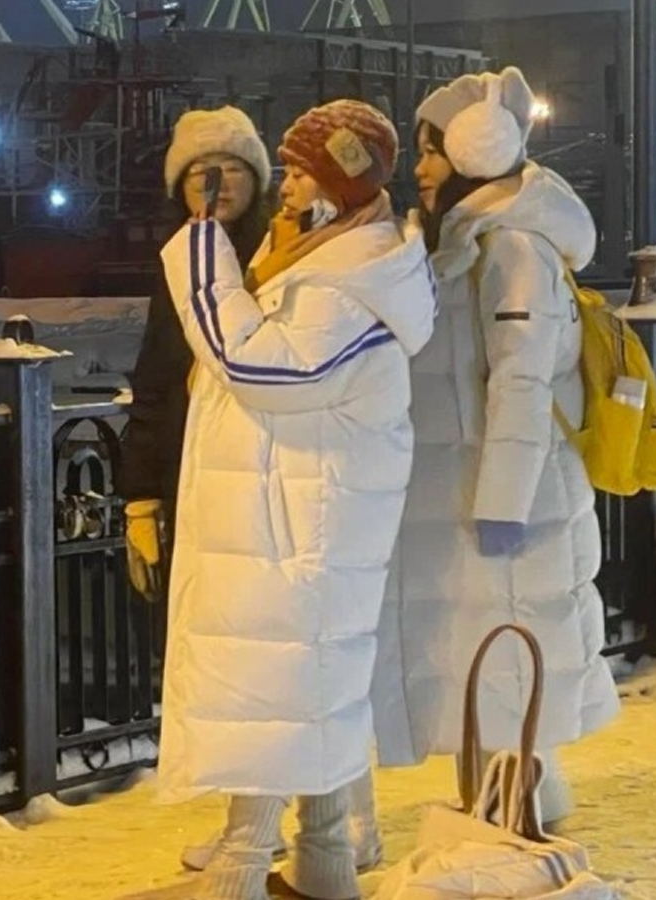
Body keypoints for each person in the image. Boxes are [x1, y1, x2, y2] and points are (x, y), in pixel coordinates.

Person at [152, 100, 435, 900]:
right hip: (298, 517)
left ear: (341, 185)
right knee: (308, 697)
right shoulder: (324, 260)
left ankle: (239, 873)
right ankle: (324, 864)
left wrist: (205, 255)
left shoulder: (351, 284)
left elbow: (261, 367)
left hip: (302, 527)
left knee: (278, 699)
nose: (288, 186)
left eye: (304, 172)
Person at [369, 66, 620, 827]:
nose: (419, 167)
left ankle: (512, 828)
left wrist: (502, 505)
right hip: (473, 490)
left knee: (503, 664)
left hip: (505, 501)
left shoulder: (512, 247)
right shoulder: (473, 238)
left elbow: (522, 382)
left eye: (432, 150)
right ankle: (512, 814)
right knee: (484, 670)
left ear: (476, 150)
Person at [120, 106, 271, 604]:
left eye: (232, 168)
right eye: (200, 171)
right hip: (185, 469)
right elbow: (154, 379)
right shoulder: (177, 262)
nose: (216, 184)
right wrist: (141, 496)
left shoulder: (279, 258)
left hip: (261, 474)